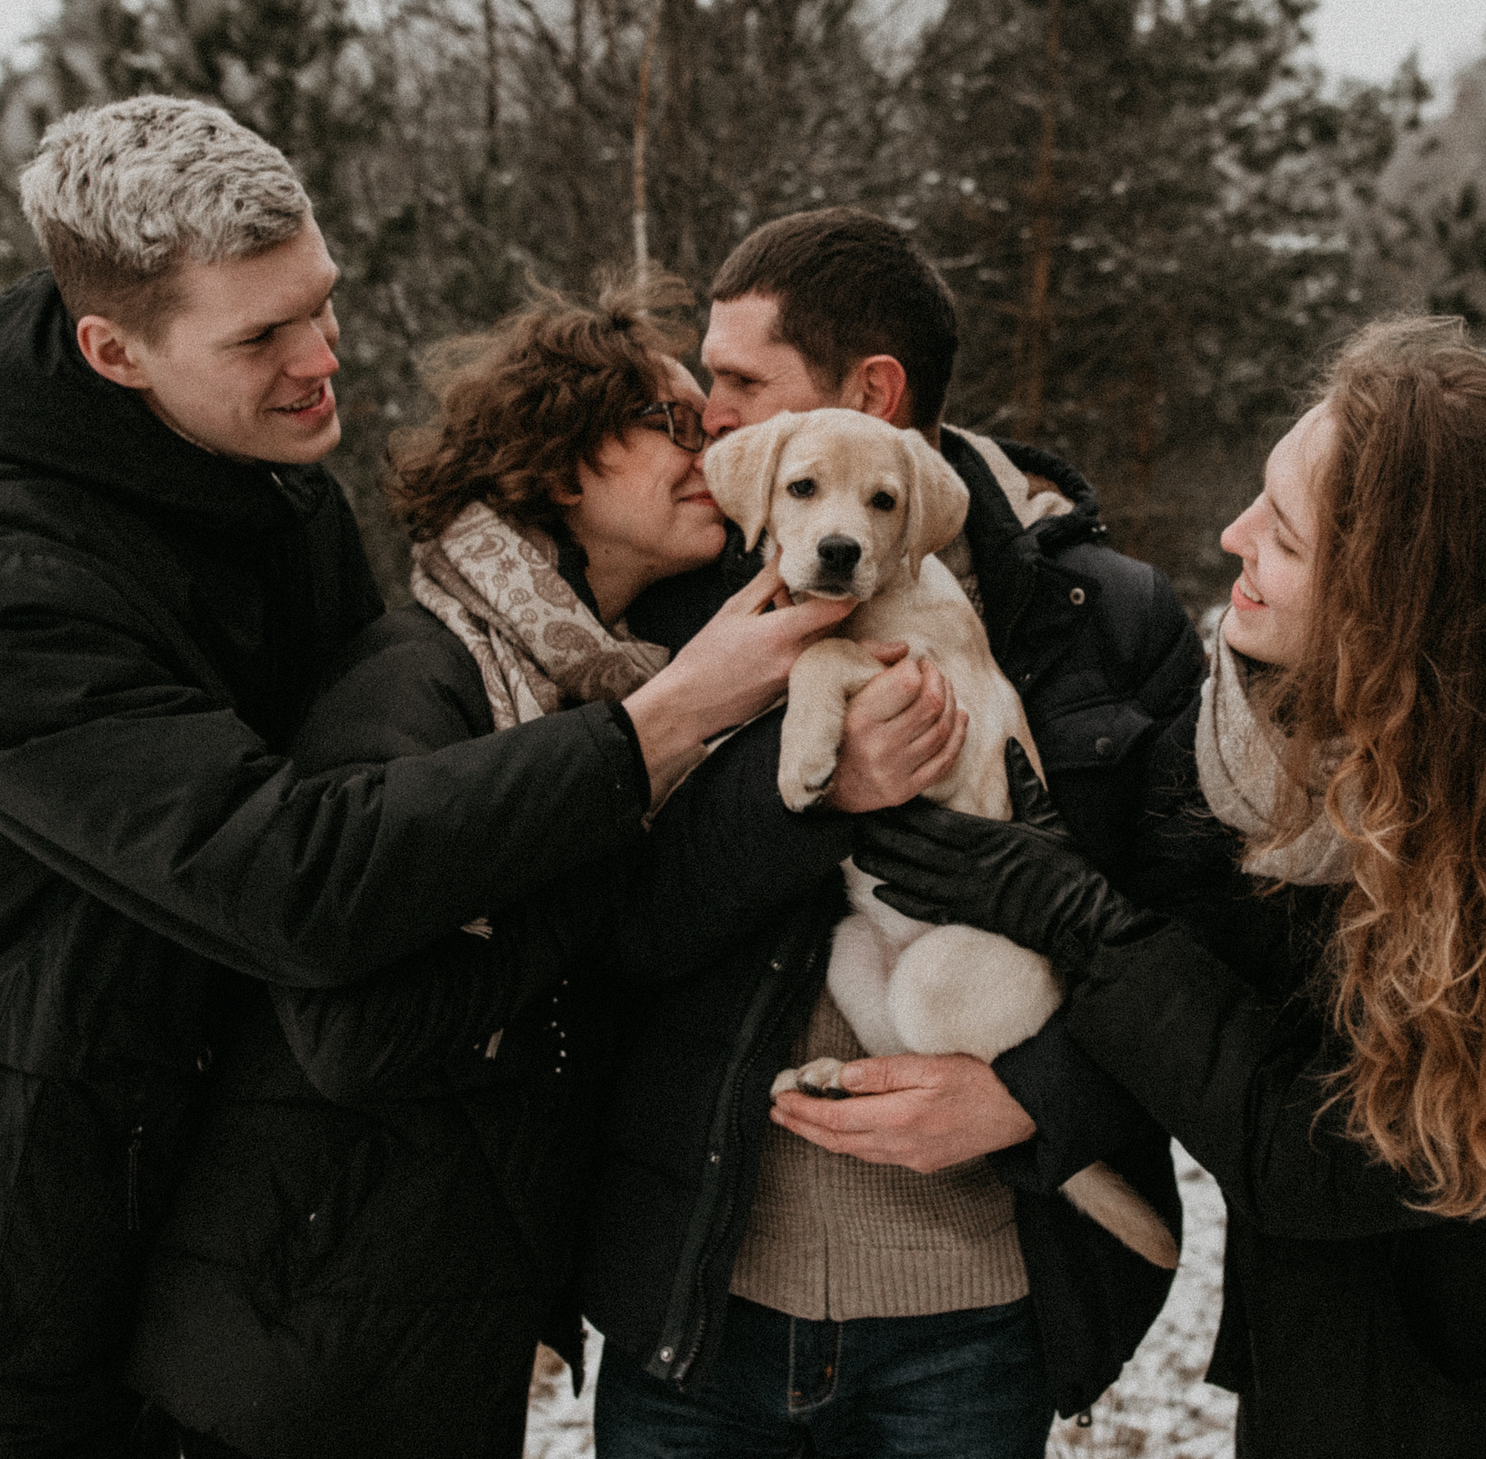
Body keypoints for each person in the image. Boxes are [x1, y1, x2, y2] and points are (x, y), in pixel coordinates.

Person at [0, 98, 846, 1458]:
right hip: (49, 1279)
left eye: (319, 303)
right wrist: (660, 729)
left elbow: (400, 835)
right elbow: (295, 876)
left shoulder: (280, 498)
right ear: (114, 349)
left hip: (254, 1250)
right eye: (262, 335)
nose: (323, 357)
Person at [857, 317, 1486, 1457]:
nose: (1231, 536)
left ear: (1400, 603)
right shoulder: (1266, 738)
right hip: (1314, 1380)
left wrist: (1074, 913)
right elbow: (1187, 962)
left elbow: (1324, 1155)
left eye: (1280, 532)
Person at [126, 275, 946, 1457]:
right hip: (303, 1333)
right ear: (562, 465)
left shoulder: (596, 673)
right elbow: (354, 1034)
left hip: (417, 1317)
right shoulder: (416, 678)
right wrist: (626, 807)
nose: (706, 443)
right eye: (665, 422)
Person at [588, 207, 1205, 1456]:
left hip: (970, 1320)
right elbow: (611, 922)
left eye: (740, 382)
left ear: (873, 389)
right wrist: (805, 794)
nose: (709, 415)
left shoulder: (1113, 619)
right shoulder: (685, 585)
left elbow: (1199, 950)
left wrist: (1030, 1095)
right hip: (703, 1309)